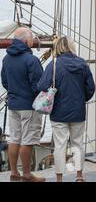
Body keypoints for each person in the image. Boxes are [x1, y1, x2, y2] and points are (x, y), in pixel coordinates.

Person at [37, 36, 95, 182]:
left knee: (60, 145)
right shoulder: (82, 64)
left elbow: (42, 86)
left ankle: (59, 178)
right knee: (77, 144)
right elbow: (90, 88)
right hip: (78, 110)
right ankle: (79, 175)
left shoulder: (54, 64)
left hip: (58, 111)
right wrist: (82, 99)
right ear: (71, 46)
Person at [1, 28, 45, 182]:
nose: (32, 42)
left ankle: (14, 172)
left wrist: (15, 92)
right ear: (26, 41)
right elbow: (39, 85)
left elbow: (5, 82)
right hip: (28, 105)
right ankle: (26, 174)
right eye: (32, 39)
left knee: (14, 138)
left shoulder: (6, 59)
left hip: (13, 104)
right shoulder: (31, 60)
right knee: (27, 140)